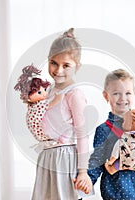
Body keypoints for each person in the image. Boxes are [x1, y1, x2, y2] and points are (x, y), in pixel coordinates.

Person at [30, 28, 92, 200]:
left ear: (77, 66)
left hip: (65, 159)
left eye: (66, 65)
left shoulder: (74, 94)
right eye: (53, 63)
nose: (58, 70)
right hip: (48, 157)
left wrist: (82, 171)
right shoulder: (47, 90)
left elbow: (82, 134)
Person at [87, 69, 135, 200]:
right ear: (106, 96)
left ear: (134, 94)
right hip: (117, 192)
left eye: (128, 93)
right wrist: (87, 180)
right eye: (116, 93)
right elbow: (97, 161)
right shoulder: (104, 130)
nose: (123, 98)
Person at [14, 64, 62, 143]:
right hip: (44, 133)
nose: (44, 94)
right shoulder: (38, 105)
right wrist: (57, 99)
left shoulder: (32, 106)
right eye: (39, 92)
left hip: (40, 135)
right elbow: (50, 105)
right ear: (28, 97)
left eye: (45, 89)